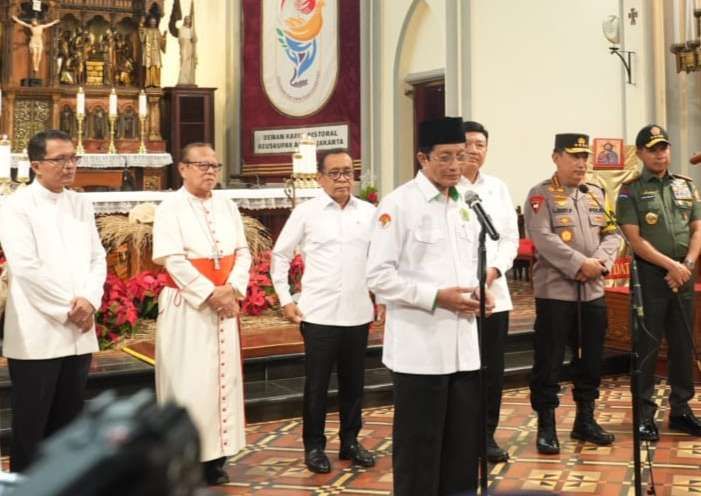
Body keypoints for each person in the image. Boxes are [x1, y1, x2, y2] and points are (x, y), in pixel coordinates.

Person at [367, 117, 492, 495]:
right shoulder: (399, 204)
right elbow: (378, 277)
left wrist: (479, 288)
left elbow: (468, 262)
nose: (456, 165)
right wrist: (437, 296)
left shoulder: (466, 204)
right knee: (420, 451)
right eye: (446, 157)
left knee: (461, 450)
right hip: (420, 351)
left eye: (461, 156)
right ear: (422, 158)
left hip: (463, 349)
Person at [0, 129, 106, 472]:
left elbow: (97, 258)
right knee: (32, 426)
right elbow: (26, 268)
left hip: (78, 330)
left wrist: (89, 300)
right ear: (36, 165)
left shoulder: (80, 203)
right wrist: (69, 308)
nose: (70, 165)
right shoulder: (15, 207)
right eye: (60, 159)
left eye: (74, 157)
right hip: (38, 332)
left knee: (70, 423)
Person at [271, 149, 379, 474]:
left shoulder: (370, 212)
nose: (343, 179)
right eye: (335, 173)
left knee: (353, 385)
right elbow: (280, 255)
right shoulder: (307, 212)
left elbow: (381, 259)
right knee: (316, 386)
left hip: (358, 312)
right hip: (318, 314)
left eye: (348, 172)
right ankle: (314, 446)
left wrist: (383, 300)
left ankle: (350, 441)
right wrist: (286, 299)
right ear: (320, 178)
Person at [152, 143, 251, 485]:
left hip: (224, 305)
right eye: (202, 165)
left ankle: (216, 460)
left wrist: (232, 289)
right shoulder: (170, 208)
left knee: (222, 383)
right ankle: (186, 458)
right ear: (182, 168)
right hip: (189, 308)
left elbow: (243, 251)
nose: (210, 171)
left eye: (215, 165)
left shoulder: (227, 205)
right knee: (190, 383)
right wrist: (211, 293)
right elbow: (173, 260)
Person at [524, 133, 619, 455]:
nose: (581, 163)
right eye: (574, 156)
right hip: (556, 293)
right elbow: (542, 236)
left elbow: (613, 231)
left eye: (584, 157)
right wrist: (579, 264)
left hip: (593, 292)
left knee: (591, 359)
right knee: (548, 362)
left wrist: (600, 263)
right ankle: (547, 426)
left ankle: (585, 421)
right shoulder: (540, 195)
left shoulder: (595, 192)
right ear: (556, 157)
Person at [616, 124, 701, 441]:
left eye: (663, 147)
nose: (660, 153)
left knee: (682, 347)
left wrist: (687, 265)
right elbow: (634, 239)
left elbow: (697, 229)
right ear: (639, 153)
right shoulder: (631, 190)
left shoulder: (685, 186)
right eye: (652, 149)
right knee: (647, 348)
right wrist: (670, 266)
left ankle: (681, 410)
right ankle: (644, 416)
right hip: (651, 276)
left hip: (684, 272)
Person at [456, 121, 518, 463]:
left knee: (492, 369)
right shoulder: (448, 187)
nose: (474, 150)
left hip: (495, 293)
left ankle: (486, 435)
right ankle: (461, 435)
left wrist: (493, 271)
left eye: (480, 144)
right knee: (463, 367)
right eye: (468, 143)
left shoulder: (497, 188)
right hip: (460, 295)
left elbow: (508, 237)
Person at [139, 16, 167, 88]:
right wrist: (141, 23)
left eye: (154, 22)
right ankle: (148, 83)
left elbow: (161, 42)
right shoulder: (146, 30)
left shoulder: (158, 31)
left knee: (156, 66)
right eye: (151, 22)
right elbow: (142, 37)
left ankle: (156, 83)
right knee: (148, 66)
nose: (153, 23)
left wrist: (164, 36)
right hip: (149, 52)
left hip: (156, 53)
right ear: (149, 23)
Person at [176, 15, 197, 86]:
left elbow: (195, 39)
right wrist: (183, 43)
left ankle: (188, 79)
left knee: (189, 62)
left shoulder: (191, 30)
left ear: (190, 21)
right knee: (184, 61)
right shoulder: (181, 29)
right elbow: (180, 39)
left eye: (188, 19)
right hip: (184, 46)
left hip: (189, 46)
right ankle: (182, 79)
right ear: (184, 20)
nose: (187, 21)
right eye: (186, 19)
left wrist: (193, 38)